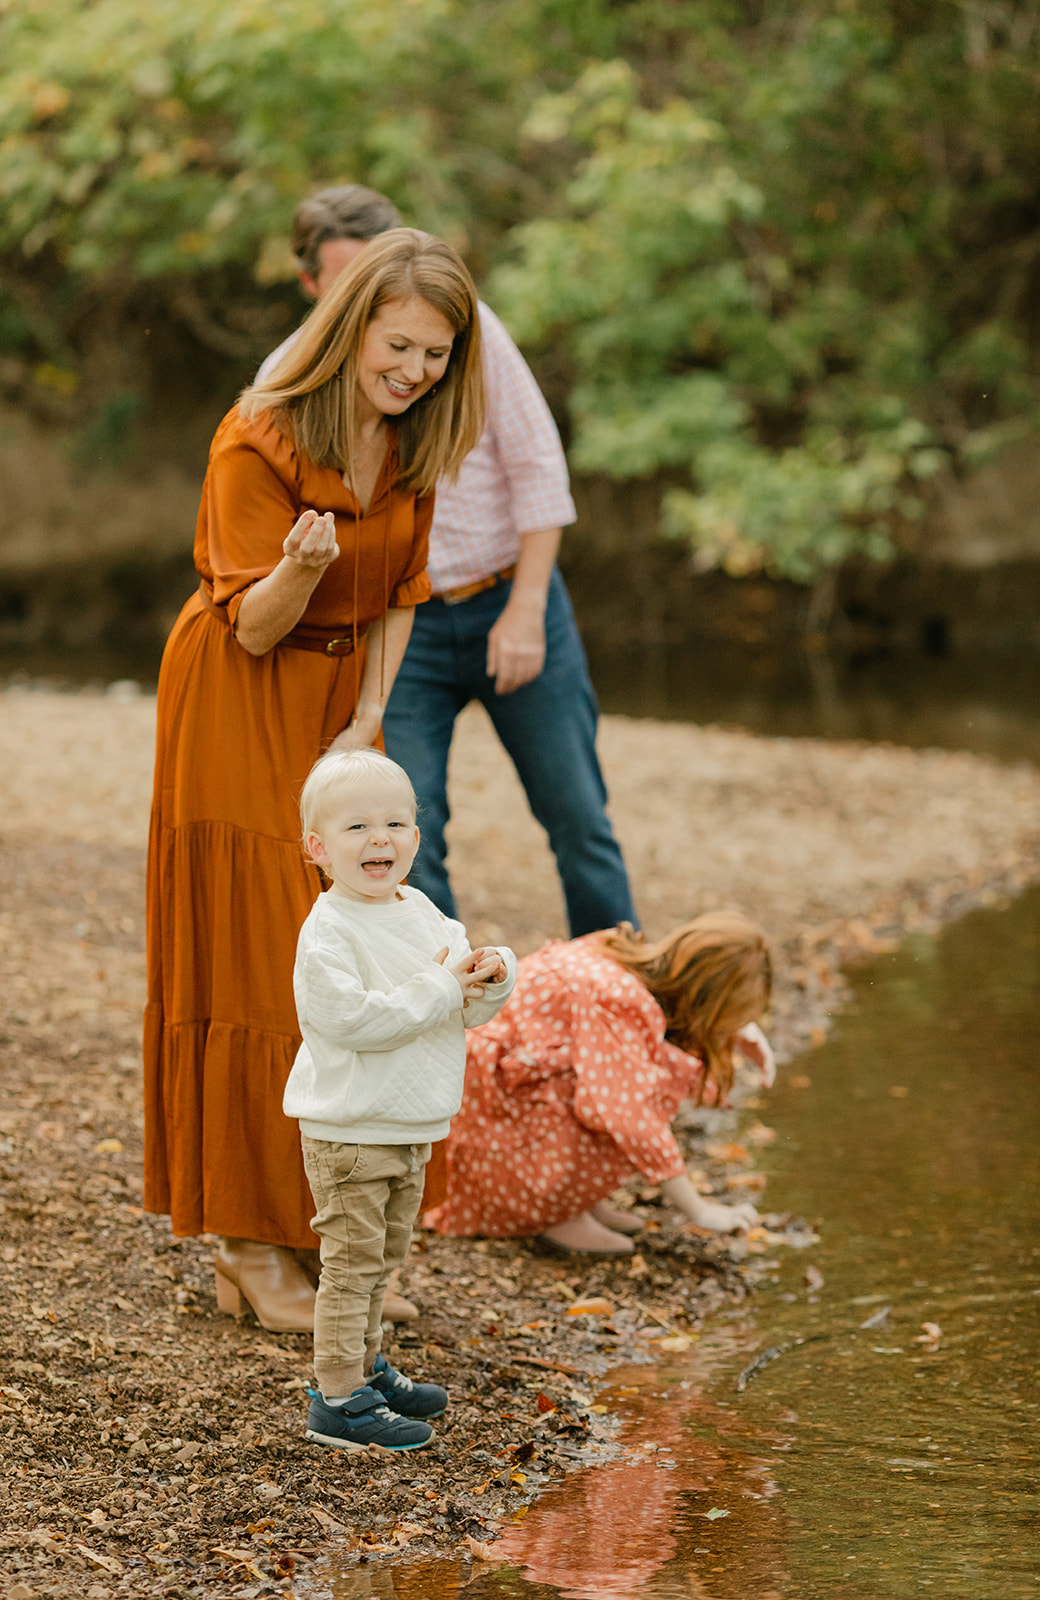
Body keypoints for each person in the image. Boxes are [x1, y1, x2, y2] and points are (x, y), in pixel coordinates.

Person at [143, 228, 485, 1336]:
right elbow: (249, 625)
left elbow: (399, 597)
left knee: (354, 936)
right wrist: (297, 565)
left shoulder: (421, 438)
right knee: (259, 959)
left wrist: (370, 723)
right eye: (399, 346)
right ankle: (246, 1243)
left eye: (435, 353)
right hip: (241, 700)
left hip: (341, 708)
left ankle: (309, 1225)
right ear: (349, 331)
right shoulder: (258, 435)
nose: (415, 370)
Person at [258, 184, 636, 940]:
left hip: (509, 596)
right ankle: (450, 1005)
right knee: (404, 827)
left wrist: (527, 610)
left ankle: (625, 996)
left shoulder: (465, 333)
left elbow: (537, 469)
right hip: (404, 627)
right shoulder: (291, 375)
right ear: (314, 287)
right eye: (349, 280)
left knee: (578, 818)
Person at [283, 748, 516, 1451]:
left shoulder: (422, 913)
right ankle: (338, 1399)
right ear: (318, 849)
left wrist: (489, 977)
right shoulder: (328, 932)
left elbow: (459, 1008)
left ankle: (365, 1365)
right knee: (351, 1263)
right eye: (356, 827)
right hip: (350, 1129)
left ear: (417, 836)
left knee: (383, 1259)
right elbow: (355, 1021)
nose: (378, 838)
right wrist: (445, 986)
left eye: (394, 823)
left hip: (409, 1121)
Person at [424, 914, 776, 1253]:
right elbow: (628, 1113)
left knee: (617, 1079)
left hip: (486, 1077)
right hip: (485, 1104)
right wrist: (698, 1209)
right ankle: (551, 1210)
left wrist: (740, 1029)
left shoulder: (617, 948)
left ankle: (578, 1200)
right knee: (617, 1095)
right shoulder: (620, 997)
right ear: (710, 1002)